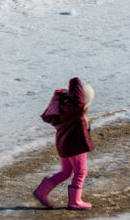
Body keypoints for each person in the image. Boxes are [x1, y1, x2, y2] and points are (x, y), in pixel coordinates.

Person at [33, 77, 96, 210]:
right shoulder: (77, 115)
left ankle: (42, 192)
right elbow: (78, 101)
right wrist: (75, 81)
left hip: (63, 144)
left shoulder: (64, 110)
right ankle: (75, 201)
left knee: (66, 171)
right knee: (81, 171)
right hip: (75, 147)